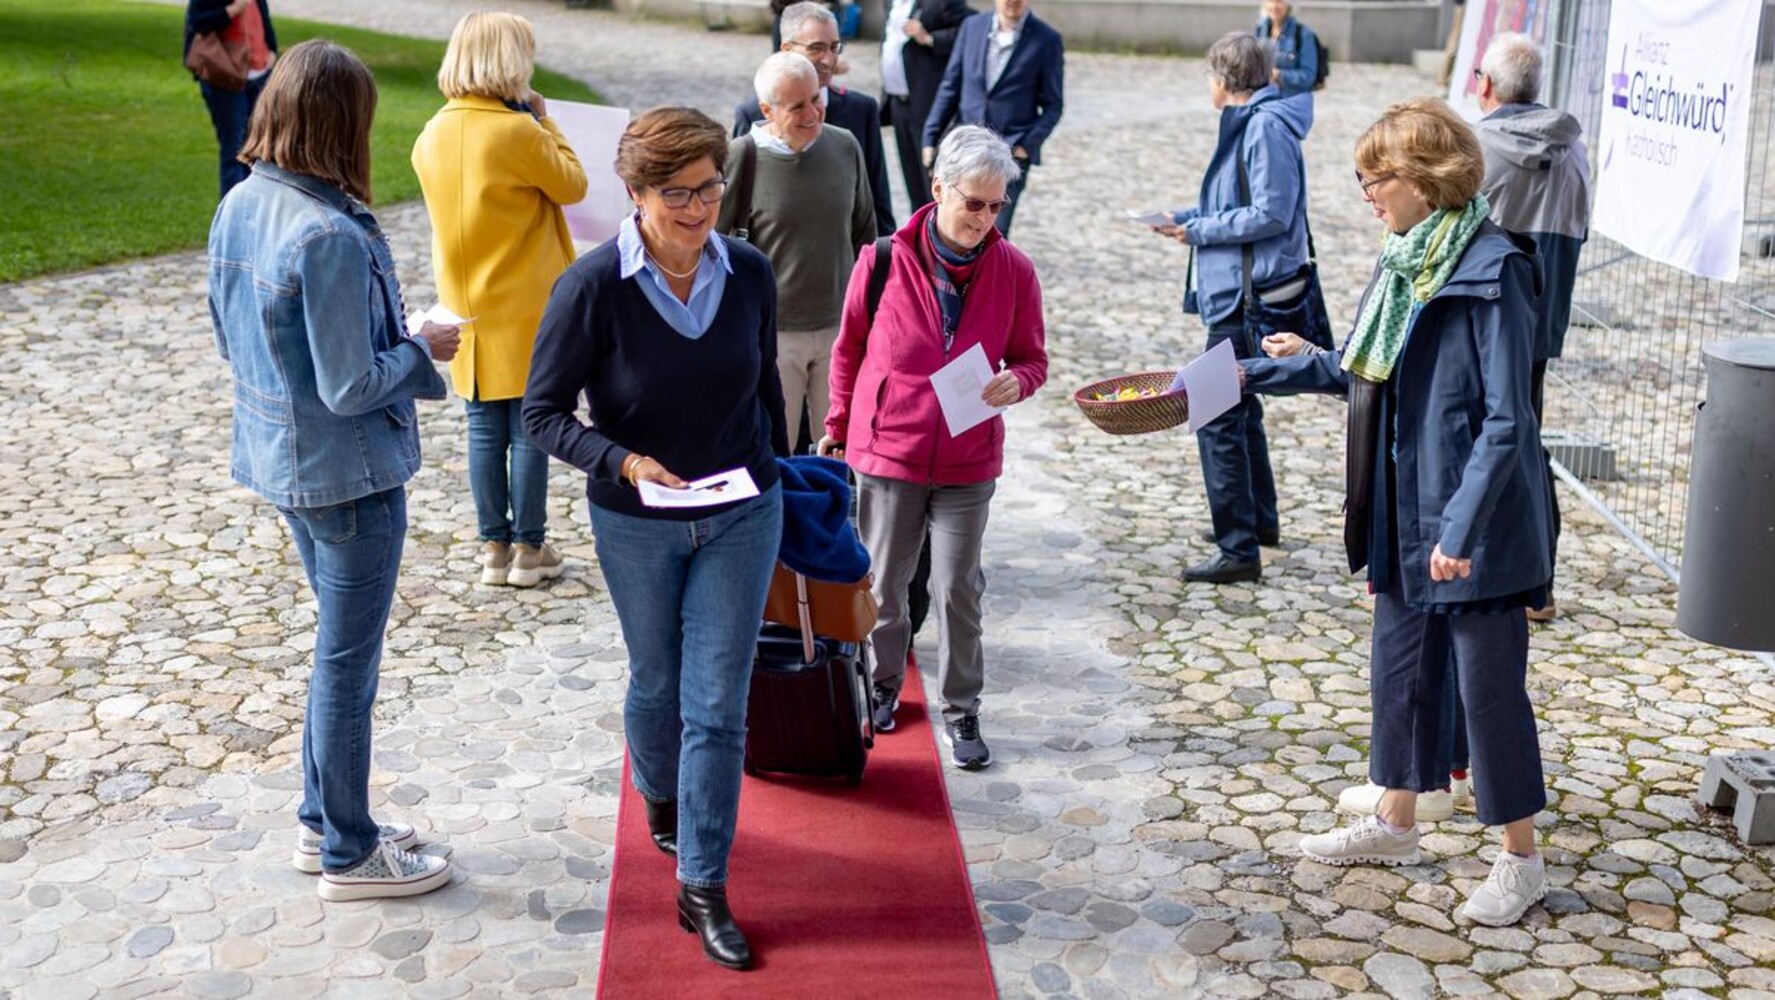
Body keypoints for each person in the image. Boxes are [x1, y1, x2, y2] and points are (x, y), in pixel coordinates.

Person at [1246, 97, 1554, 927]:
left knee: (1487, 694)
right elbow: (1364, 374)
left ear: (1422, 178)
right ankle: (1393, 821)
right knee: (1400, 675)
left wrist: (1459, 530)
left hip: (1471, 526)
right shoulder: (1402, 262)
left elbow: (1506, 420)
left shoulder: (1495, 269)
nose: (1364, 194)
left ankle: (1520, 859)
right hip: (1400, 512)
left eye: (1371, 177)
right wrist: (1251, 373)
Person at [522, 107, 789, 972]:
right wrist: (625, 461)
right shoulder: (592, 286)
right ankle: (659, 794)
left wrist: (777, 473)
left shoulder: (748, 271)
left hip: (742, 515)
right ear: (633, 194)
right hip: (636, 523)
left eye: (710, 186)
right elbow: (540, 416)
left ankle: (703, 886)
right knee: (657, 680)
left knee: (715, 705)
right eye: (676, 192)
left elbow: (767, 394)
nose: (699, 206)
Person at [208, 40, 456, 902]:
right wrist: (422, 347)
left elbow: (230, 334)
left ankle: (325, 823)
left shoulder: (243, 202)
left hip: (284, 462)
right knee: (346, 666)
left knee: (334, 655)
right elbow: (351, 384)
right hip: (349, 476)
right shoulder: (326, 234)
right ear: (341, 123)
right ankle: (349, 850)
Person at [820, 125, 1048, 770]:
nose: (984, 218)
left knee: (956, 589)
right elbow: (850, 350)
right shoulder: (885, 258)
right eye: (973, 203)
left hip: (968, 456)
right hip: (890, 448)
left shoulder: (1014, 270)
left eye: (996, 206)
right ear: (939, 188)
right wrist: (837, 426)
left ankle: (962, 710)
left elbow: (1033, 358)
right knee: (885, 586)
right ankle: (883, 687)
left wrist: (1018, 381)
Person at [411, 12, 587, 589]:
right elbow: (573, 184)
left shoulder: (433, 132)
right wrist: (546, 118)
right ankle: (530, 550)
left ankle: (493, 547)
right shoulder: (519, 132)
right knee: (530, 427)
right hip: (527, 300)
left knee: (482, 427)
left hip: (465, 301)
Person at [1152, 32, 1312, 584]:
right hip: (1235, 289)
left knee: (1215, 409)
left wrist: (1199, 231)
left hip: (1247, 296)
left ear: (1223, 80)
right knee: (1240, 405)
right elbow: (1235, 201)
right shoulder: (1253, 122)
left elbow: (1271, 212)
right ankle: (1257, 521)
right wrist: (1183, 216)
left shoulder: (1264, 127)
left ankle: (1237, 547)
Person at [1474, 31, 1588, 621]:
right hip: (1542, 321)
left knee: (1496, 441)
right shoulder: (1573, 150)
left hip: (1487, 321)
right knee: (1524, 437)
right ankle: (1536, 581)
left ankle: (1512, 577)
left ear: (1486, 85)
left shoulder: (1478, 150)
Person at [720, 52, 875, 452]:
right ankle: (778, 516)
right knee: (777, 447)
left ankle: (836, 515)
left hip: (839, 326)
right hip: (776, 331)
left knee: (840, 448)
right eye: (797, 106)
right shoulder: (743, 155)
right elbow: (716, 246)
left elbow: (864, 233)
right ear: (767, 110)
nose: (813, 114)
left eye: (817, 99)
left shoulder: (845, 145)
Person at [736, 2, 895, 237]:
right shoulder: (753, 115)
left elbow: (878, 204)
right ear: (786, 49)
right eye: (817, 48)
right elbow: (738, 206)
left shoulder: (861, 110)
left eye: (834, 47)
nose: (829, 59)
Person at [921, 0, 1064, 236]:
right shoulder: (972, 27)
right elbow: (950, 86)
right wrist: (930, 136)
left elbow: (1054, 105)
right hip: (964, 152)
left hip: (1009, 155)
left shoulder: (1046, 40)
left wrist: (1025, 147)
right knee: (952, 227)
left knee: (993, 233)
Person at [881, 0, 973, 214]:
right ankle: (918, 236)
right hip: (897, 102)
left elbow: (971, 28)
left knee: (932, 182)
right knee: (912, 180)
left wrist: (930, 38)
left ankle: (938, 235)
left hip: (927, 104)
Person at [184, 0, 277, 199]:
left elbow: (263, 19)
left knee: (258, 148)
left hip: (259, 75)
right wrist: (232, 10)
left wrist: (272, 50)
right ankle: (233, 217)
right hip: (225, 76)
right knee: (234, 149)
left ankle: (254, 209)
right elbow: (197, 23)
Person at [1254, 0, 1321, 98]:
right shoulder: (1260, 30)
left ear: (1289, 6)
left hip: (1292, 102)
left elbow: (1308, 76)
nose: (1275, 6)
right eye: (1271, 1)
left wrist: (1279, 75)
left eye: (1280, 2)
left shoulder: (1303, 34)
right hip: (1265, 99)